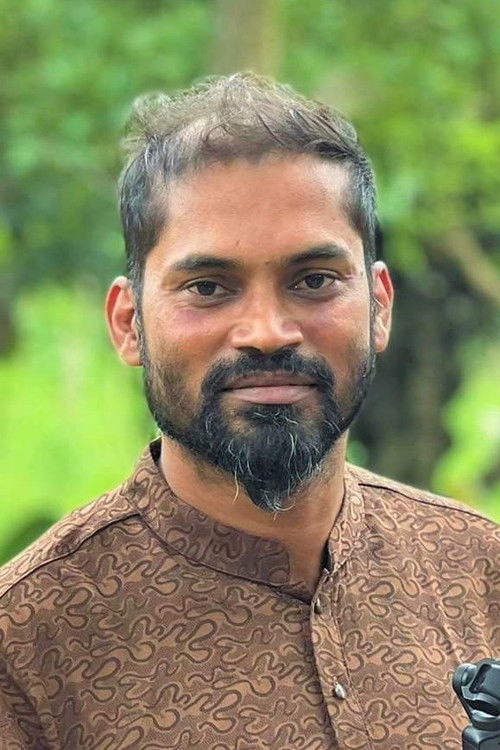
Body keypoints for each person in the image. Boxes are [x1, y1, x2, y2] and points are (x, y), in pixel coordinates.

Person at [0, 73, 498, 750]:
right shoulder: (27, 645)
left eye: (313, 280)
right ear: (128, 323)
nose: (267, 331)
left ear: (379, 306)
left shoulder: (479, 569)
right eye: (208, 287)